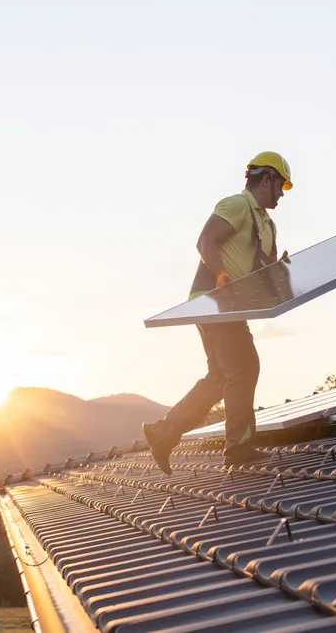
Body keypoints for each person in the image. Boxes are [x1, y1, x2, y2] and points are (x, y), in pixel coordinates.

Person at [143, 152, 293, 472]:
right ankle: (238, 446)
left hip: (229, 304)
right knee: (244, 367)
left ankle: (164, 432)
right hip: (213, 299)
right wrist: (221, 273)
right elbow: (206, 240)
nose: (282, 193)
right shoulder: (237, 205)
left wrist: (280, 271)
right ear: (265, 180)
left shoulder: (267, 225)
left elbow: (263, 270)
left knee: (220, 376)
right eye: (281, 185)